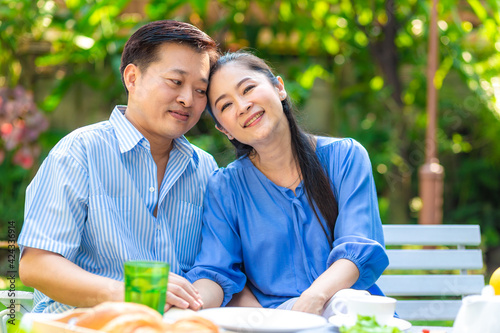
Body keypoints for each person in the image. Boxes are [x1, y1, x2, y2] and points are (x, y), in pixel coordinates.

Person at [18, 20, 219, 313]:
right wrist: (128, 293)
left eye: (200, 90)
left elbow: (214, 268)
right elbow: (36, 265)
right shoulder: (80, 153)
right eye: (175, 82)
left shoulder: (205, 169)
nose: (187, 99)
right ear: (132, 78)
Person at [184, 52, 389, 317]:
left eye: (248, 89)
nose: (243, 106)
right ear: (225, 130)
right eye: (226, 106)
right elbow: (217, 271)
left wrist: (314, 298)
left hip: (348, 313)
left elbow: (358, 248)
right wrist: (188, 301)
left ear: (279, 88)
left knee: (345, 304)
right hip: (275, 320)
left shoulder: (345, 157)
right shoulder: (226, 187)